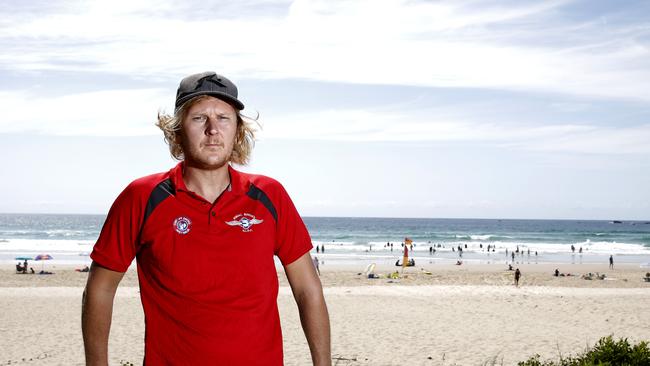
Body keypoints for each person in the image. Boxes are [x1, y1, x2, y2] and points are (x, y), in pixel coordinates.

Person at [81, 72, 331, 365]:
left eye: (223, 118)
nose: (213, 129)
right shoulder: (142, 197)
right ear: (176, 131)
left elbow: (307, 289)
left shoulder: (269, 195)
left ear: (237, 130)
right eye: (199, 118)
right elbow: (99, 289)